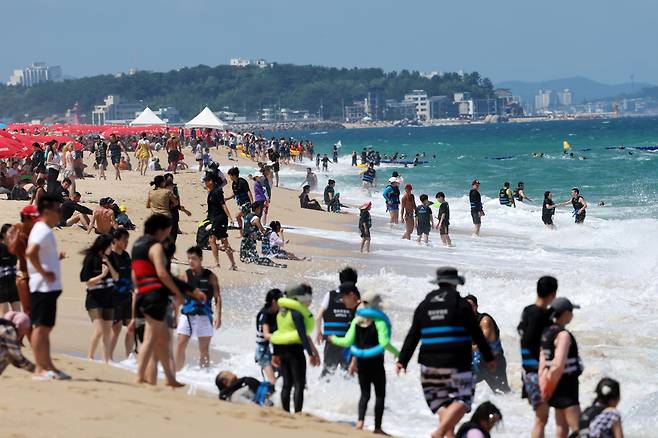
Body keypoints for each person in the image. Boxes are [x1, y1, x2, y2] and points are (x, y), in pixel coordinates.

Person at [396, 267, 495, 438]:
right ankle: (440, 432)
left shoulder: (425, 304)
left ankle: (447, 434)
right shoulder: (461, 304)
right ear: (455, 284)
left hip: (429, 364)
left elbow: (413, 334)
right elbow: (476, 333)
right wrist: (489, 357)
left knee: (442, 404)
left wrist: (402, 360)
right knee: (463, 400)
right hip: (457, 362)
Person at [329, 290, 398, 435]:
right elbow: (384, 343)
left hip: (362, 363)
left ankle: (360, 422)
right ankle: (377, 428)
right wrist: (399, 354)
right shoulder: (380, 321)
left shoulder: (356, 321)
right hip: (376, 363)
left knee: (364, 394)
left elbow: (347, 341)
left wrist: (333, 338)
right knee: (380, 395)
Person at [130, 214, 185, 387]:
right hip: (155, 295)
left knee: (163, 340)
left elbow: (134, 274)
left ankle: (170, 379)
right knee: (150, 339)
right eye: (167, 231)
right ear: (160, 230)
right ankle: (139, 376)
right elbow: (162, 273)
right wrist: (178, 293)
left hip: (142, 293)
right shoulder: (156, 247)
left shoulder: (137, 245)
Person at [26, 195, 70, 380]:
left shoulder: (44, 230)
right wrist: (44, 273)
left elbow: (39, 255)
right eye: (57, 210)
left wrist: (54, 260)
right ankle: (39, 369)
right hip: (42, 287)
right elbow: (30, 253)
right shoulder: (42, 230)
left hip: (48, 288)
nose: (60, 213)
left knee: (46, 327)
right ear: (46, 212)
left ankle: (48, 365)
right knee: (41, 328)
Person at [517, 275, 559, 438]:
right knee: (541, 419)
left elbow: (522, 335)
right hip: (537, 372)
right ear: (553, 294)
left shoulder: (528, 310)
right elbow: (528, 339)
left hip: (528, 371)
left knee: (541, 417)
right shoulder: (541, 315)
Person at [270, 285, 320, 413]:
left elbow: (278, 334)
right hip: (295, 352)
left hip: (282, 351)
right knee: (299, 384)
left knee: (287, 384)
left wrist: (275, 354)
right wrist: (311, 353)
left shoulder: (281, 314)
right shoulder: (297, 313)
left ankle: (285, 412)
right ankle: (297, 413)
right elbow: (302, 335)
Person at [539, 297, 583, 438]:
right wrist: (549, 387)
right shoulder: (563, 335)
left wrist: (545, 384)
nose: (572, 314)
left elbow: (543, 362)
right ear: (565, 313)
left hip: (554, 385)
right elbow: (558, 364)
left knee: (561, 427)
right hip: (566, 386)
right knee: (579, 429)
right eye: (571, 311)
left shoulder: (546, 333)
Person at [175, 246, 221, 370]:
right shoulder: (185, 275)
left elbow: (217, 297)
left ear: (200, 259)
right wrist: (175, 314)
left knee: (204, 349)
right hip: (187, 315)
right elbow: (177, 295)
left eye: (193, 258)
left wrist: (218, 316)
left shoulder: (211, 276)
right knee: (180, 344)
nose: (190, 261)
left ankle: (204, 373)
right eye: (189, 258)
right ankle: (177, 372)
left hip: (204, 316)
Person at [80, 234, 119, 363]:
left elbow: (116, 277)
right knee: (99, 330)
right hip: (94, 299)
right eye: (110, 245)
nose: (111, 247)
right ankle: (90, 357)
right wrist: (102, 275)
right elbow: (87, 282)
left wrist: (109, 265)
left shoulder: (111, 257)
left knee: (107, 331)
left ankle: (106, 359)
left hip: (109, 298)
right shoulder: (90, 258)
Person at [315, 271, 359, 376]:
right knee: (348, 374)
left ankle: (322, 392)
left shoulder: (330, 295)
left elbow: (318, 316)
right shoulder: (354, 297)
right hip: (347, 343)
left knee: (327, 373)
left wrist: (318, 332)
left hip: (331, 340)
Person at [464, 294, 510, 394]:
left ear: (476, 306)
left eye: (471, 306)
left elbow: (482, 345)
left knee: (503, 393)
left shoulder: (485, 321)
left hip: (494, 363)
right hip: (478, 364)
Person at [108, 228, 134, 359]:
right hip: (113, 296)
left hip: (127, 295)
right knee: (116, 327)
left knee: (131, 326)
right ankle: (109, 357)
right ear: (115, 240)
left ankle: (128, 358)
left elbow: (131, 274)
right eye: (124, 240)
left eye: (127, 240)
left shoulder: (126, 256)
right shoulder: (109, 257)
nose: (126, 242)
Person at [203, 174, 237, 270]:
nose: (205, 182)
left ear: (211, 182)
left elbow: (223, 205)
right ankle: (233, 264)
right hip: (215, 219)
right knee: (224, 241)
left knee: (212, 240)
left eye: (206, 180)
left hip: (220, 218)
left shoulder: (217, 192)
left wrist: (230, 217)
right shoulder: (211, 192)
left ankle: (217, 264)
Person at [240, 202, 286, 268]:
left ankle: (273, 264)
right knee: (254, 259)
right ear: (257, 209)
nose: (260, 210)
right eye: (260, 208)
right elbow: (262, 230)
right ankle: (274, 264)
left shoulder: (247, 216)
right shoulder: (256, 218)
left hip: (244, 240)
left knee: (244, 258)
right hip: (250, 241)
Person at [256, 288, 282, 387]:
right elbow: (266, 335)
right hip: (263, 352)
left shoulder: (277, 313)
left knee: (283, 376)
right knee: (273, 381)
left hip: (274, 349)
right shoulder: (265, 314)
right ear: (274, 301)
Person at [0, 311, 35, 376]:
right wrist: (36, 369)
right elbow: (18, 358)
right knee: (8, 353)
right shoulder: (9, 331)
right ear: (20, 327)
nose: (24, 333)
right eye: (25, 329)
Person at [226, 167, 254, 235]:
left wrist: (252, 202)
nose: (229, 177)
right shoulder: (234, 184)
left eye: (230, 175)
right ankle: (246, 233)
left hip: (246, 203)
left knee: (237, 215)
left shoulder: (242, 181)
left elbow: (248, 191)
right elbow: (234, 194)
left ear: (234, 175)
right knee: (246, 219)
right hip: (240, 204)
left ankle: (243, 233)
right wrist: (227, 198)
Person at [0, 224, 20, 316]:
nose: (13, 234)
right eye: (10, 232)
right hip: (2, 284)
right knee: (5, 315)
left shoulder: (15, 248)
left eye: (14, 232)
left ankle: (16, 330)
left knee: (17, 314)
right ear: (3, 234)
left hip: (13, 282)